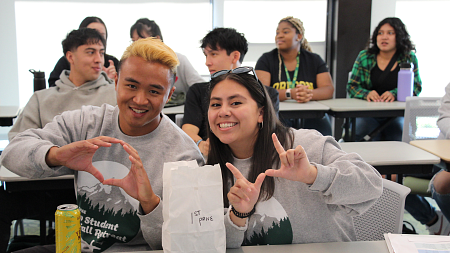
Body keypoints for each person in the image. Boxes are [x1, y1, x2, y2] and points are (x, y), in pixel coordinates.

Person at [1, 37, 204, 252]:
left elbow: (181, 243)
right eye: (131, 85)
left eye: (154, 91)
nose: (140, 100)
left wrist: (150, 203)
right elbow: (11, 153)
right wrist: (56, 155)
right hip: (79, 246)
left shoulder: (184, 156)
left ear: (170, 94)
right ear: (116, 82)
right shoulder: (86, 123)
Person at [205, 67, 382, 247]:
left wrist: (313, 175)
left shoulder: (303, 146)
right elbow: (215, 244)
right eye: (216, 104)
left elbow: (371, 186)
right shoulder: (210, 169)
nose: (223, 112)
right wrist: (238, 215)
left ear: (261, 113)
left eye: (235, 103)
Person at [0, 27, 117, 253]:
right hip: (44, 186)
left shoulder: (114, 94)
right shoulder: (42, 98)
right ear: (70, 56)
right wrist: (54, 156)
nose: (98, 59)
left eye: (101, 53)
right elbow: (16, 141)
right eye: (90, 52)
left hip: (100, 188)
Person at [182, 28, 279, 157]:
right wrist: (201, 144)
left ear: (235, 56)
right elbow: (188, 130)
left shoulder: (265, 93)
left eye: (214, 54)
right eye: (216, 104)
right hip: (211, 159)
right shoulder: (198, 91)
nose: (207, 62)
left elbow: (270, 131)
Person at [255, 16, 334, 136]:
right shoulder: (266, 59)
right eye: (277, 33)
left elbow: (328, 89)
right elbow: (262, 90)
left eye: (285, 32)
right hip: (280, 113)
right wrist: (290, 93)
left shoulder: (314, 59)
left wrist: (309, 94)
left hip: (311, 114)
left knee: (321, 129)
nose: (279, 36)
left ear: (299, 36)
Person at [347, 17, 422, 141]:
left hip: (396, 114)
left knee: (399, 130)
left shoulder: (408, 57)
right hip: (367, 113)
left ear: (400, 36)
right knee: (362, 129)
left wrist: (395, 94)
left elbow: (416, 86)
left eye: (390, 33)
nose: (384, 37)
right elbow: (352, 86)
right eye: (380, 33)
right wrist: (367, 94)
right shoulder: (365, 56)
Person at [130, 18, 204, 107]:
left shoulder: (178, 60)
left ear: (157, 39)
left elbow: (201, 89)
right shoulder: (133, 66)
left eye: (141, 40)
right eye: (133, 41)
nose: (136, 45)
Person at [48, 16, 119, 87]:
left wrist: (110, 80)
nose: (98, 60)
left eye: (102, 35)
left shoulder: (112, 62)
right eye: (90, 52)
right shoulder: (65, 61)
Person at [422, 82, 450, 235]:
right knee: (391, 178)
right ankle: (435, 221)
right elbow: (444, 118)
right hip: (442, 154)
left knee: (442, 183)